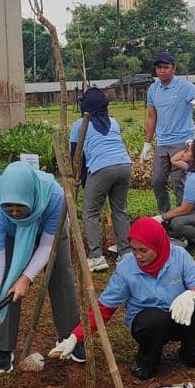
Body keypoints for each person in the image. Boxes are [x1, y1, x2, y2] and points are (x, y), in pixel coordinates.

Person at [51, 217, 195, 380]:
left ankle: (189, 354)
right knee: (155, 320)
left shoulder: (179, 256)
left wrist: (192, 294)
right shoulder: (126, 268)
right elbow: (104, 308)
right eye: (133, 249)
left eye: (143, 250)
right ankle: (146, 361)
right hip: (148, 324)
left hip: (180, 317)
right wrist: (75, 337)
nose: (138, 255)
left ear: (158, 245)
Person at [0, 162, 82, 374]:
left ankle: (69, 337)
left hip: (50, 230)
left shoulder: (54, 197)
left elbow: (47, 246)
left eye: (20, 208)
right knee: (7, 282)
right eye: (9, 208)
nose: (14, 213)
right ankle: (4, 349)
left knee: (61, 276)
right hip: (12, 234)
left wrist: (26, 277)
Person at [69, 88, 132, 272]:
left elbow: (76, 156)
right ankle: (126, 253)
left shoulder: (80, 124)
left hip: (101, 169)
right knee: (120, 209)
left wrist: (80, 178)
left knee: (90, 213)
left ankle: (96, 257)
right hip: (124, 165)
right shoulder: (113, 121)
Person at [142, 52, 195, 212]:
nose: (162, 70)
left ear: (173, 69)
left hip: (182, 141)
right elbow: (152, 117)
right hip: (162, 143)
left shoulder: (184, 86)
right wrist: (147, 143)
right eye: (159, 67)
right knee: (157, 181)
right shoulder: (153, 89)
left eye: (166, 67)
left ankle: (184, 217)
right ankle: (165, 215)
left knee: (179, 182)